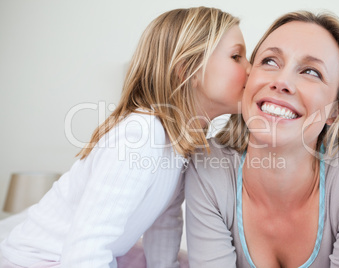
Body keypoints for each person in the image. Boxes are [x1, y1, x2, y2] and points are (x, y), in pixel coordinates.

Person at [0, 6, 250, 267]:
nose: (251, 69)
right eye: (237, 56)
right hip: (40, 258)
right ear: (188, 70)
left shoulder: (185, 140)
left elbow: (164, 221)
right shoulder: (141, 135)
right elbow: (88, 243)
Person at [185, 10, 339, 267]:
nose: (282, 81)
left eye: (311, 72)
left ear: (336, 111)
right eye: (270, 62)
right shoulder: (209, 165)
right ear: (248, 77)